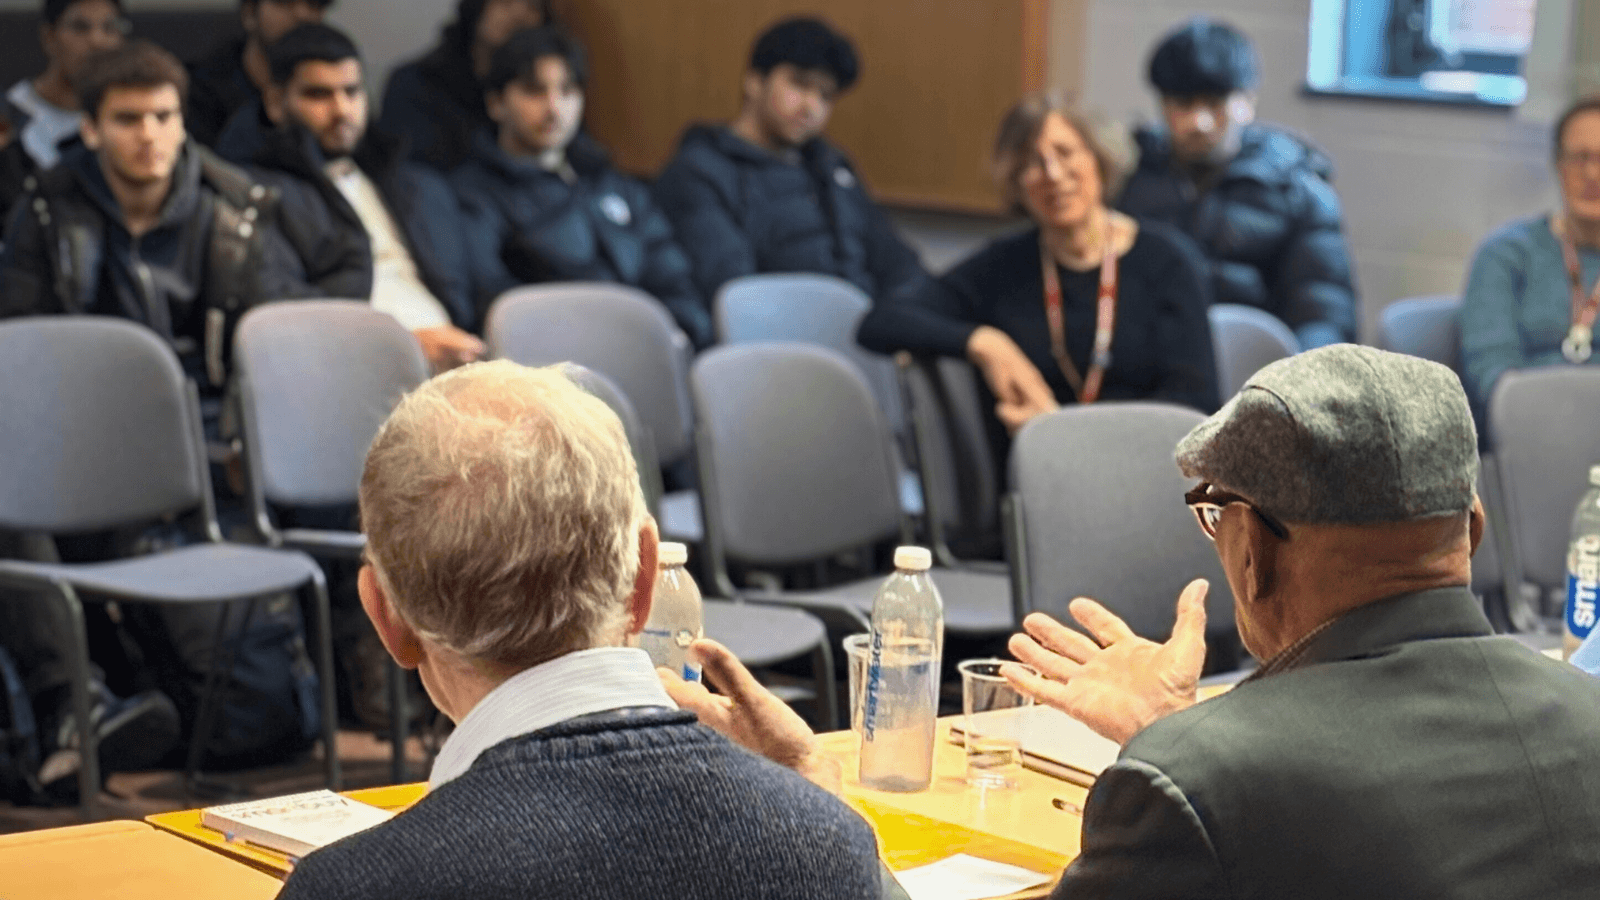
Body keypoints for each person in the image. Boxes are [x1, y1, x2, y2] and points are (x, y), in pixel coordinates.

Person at [669, 343, 1600, 898]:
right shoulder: (1587, 719)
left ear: (1252, 550)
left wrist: (811, 787)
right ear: (1471, 531)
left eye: (1215, 521)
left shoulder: (1194, 783)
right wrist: (1192, 739)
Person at [274, 360, 882, 899]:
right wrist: (812, 798)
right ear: (645, 580)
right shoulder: (828, 843)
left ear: (386, 618)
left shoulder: (350, 886)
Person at [857, 92, 1218, 473]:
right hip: (1040, 482)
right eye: (1031, 162)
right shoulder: (1003, 265)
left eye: (1065, 153)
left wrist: (1065, 434)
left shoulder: (1168, 262)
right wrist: (986, 343)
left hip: (1148, 475)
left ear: (1099, 158)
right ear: (1015, 181)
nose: (1053, 175)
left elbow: (1195, 406)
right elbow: (880, 321)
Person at [0, 39, 286, 399]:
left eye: (164, 116)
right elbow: (22, 341)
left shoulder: (234, 211)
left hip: (205, 415)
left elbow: (266, 347)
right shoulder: (46, 208)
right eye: (127, 119)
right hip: (83, 408)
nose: (149, 135)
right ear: (90, 130)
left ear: (182, 123)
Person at [236, 23, 485, 373]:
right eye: (318, 94)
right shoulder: (257, 194)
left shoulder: (408, 180)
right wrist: (403, 345)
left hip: (460, 355)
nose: (341, 110)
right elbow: (285, 309)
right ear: (276, 102)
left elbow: (469, 291)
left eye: (351, 91)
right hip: (354, 368)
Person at [452, 27, 712, 348]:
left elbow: (669, 270)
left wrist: (685, 331)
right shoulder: (475, 192)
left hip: (649, 347)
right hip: (560, 358)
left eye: (568, 90)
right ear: (496, 104)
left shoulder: (608, 179)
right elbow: (492, 296)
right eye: (534, 91)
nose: (554, 107)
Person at [652, 17, 931, 306]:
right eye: (799, 84)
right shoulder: (699, 172)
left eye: (826, 95)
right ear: (755, 81)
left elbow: (897, 262)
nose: (811, 107)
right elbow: (737, 295)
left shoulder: (831, 166)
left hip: (865, 332)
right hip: (783, 340)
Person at [1117, 17, 1356, 349]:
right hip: (1154, 370)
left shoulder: (1298, 192)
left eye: (1215, 105)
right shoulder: (1129, 179)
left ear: (1247, 102)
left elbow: (1322, 313)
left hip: (1259, 374)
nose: (1198, 122)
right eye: (1182, 105)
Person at [1461, 94, 1600, 421]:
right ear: (1558, 165)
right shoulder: (1505, 254)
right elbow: (1491, 375)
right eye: (1580, 158)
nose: (1592, 173)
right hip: (1526, 430)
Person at [378, 0, 548, 173]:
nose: (518, 15)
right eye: (505, 1)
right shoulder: (414, 82)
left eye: (533, 6)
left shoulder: (546, 96)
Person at [0, 0, 127, 216]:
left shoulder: (133, 122)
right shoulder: (8, 118)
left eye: (110, 27)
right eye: (80, 27)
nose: (96, 41)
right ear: (49, 37)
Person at [185, 0, 332, 148]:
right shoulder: (198, 94)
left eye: (314, 4)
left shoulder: (338, 90)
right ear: (249, 12)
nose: (302, 15)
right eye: (285, 3)